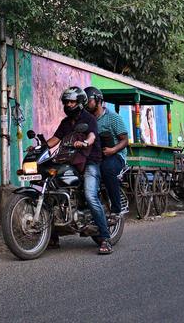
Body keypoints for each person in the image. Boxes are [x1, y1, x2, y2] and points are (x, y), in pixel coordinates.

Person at [46, 86, 113, 255]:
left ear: (80, 102)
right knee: (51, 190)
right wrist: (39, 148)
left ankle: (105, 238)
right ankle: (52, 236)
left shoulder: (89, 119)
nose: (69, 104)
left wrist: (85, 143)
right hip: (70, 160)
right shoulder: (66, 122)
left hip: (90, 160)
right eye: (66, 102)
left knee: (90, 195)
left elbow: (91, 136)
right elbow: (55, 139)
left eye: (72, 101)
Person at [85, 86, 129, 220]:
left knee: (107, 169)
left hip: (116, 155)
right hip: (96, 156)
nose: (86, 103)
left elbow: (125, 140)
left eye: (89, 100)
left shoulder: (113, 118)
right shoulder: (87, 119)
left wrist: (113, 150)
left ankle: (116, 209)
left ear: (98, 100)